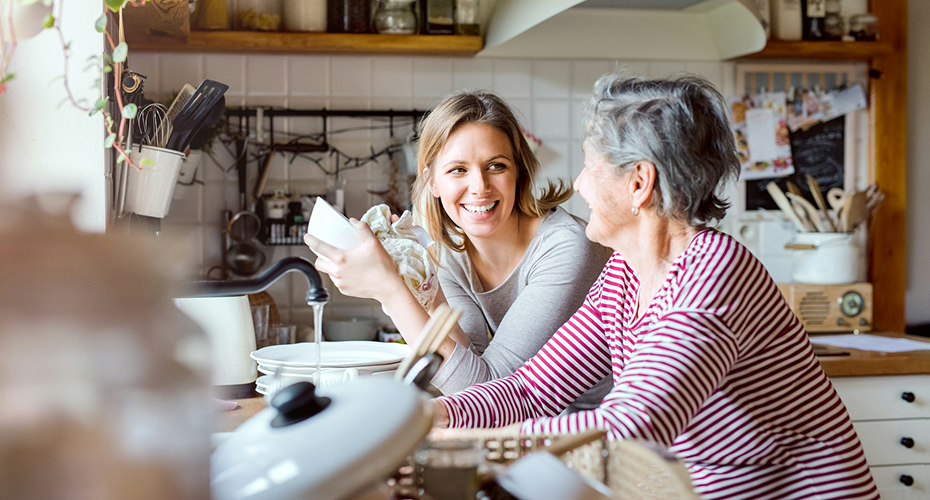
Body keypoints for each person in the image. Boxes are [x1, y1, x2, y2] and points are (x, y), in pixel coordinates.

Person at [433, 74, 879, 500]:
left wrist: (466, 444)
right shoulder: (623, 275)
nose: (578, 184)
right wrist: (435, 416)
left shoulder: (713, 275)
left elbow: (630, 426)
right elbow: (532, 390)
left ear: (639, 183)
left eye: (590, 166)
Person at [305, 90, 612, 410]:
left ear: (518, 171)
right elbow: (466, 363)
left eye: (496, 166)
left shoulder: (567, 247)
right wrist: (420, 282)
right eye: (458, 170)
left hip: (603, 432)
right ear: (432, 181)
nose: (480, 186)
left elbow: (486, 391)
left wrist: (390, 291)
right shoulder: (452, 251)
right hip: (534, 426)